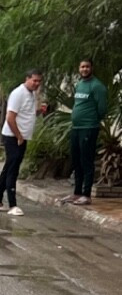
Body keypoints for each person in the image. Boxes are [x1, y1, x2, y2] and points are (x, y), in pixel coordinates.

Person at [0, 69, 43, 217]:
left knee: (8, 167)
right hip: (13, 136)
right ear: (27, 79)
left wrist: (39, 112)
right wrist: (19, 136)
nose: (36, 84)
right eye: (34, 80)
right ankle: (12, 204)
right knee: (13, 169)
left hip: (22, 137)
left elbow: (26, 114)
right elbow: (10, 117)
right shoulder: (18, 94)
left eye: (39, 81)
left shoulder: (31, 94)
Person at [59, 59, 108, 206]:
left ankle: (86, 195)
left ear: (91, 68)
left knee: (86, 160)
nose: (84, 69)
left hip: (89, 128)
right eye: (82, 67)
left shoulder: (97, 86)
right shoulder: (80, 84)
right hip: (76, 128)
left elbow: (102, 109)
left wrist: (92, 120)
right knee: (76, 160)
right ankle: (77, 193)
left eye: (87, 67)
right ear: (79, 69)